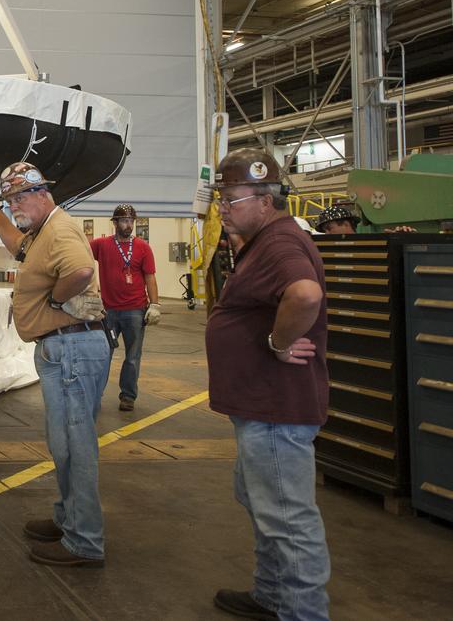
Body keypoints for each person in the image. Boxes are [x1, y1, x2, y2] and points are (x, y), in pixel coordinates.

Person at [206, 148, 330, 621]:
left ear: (265, 198)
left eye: (230, 199)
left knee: (289, 522)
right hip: (262, 408)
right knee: (261, 502)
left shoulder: (279, 243)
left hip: (277, 410)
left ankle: (301, 612)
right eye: (220, 198)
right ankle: (272, 595)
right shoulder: (262, 239)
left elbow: (305, 293)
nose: (222, 208)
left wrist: (280, 341)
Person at [0, 163, 109, 568]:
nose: (15, 206)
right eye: (10, 199)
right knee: (65, 444)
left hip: (71, 348)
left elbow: (81, 270)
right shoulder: (42, 232)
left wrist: (55, 300)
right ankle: (69, 518)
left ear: (40, 193)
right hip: (65, 349)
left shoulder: (60, 228)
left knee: (75, 447)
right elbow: (18, 245)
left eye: (18, 198)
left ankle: (84, 539)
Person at [89, 204, 160, 411]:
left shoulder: (143, 247)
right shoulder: (101, 245)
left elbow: (150, 277)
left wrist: (154, 304)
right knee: (103, 355)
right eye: (124, 221)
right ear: (115, 223)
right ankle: (95, 395)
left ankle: (127, 396)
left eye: (131, 221)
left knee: (132, 356)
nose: (128, 225)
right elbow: (80, 251)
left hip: (135, 310)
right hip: (108, 311)